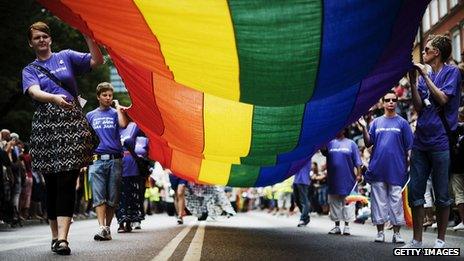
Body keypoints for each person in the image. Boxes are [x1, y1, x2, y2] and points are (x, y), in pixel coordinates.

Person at [21, 21, 103, 255]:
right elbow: (34, 91)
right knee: (52, 183)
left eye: (45, 36)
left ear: (50, 39)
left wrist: (89, 37)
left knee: (68, 178)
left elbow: (97, 61)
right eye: (37, 38)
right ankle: (55, 235)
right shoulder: (30, 70)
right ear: (31, 43)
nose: (42, 40)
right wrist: (54, 98)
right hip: (46, 125)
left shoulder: (65, 57)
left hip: (71, 123)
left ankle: (63, 239)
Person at [405, 34, 461, 248]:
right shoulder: (421, 78)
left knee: (442, 193)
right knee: (415, 192)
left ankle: (440, 240)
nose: (424, 52)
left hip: (441, 141)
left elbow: (443, 99)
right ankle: (417, 240)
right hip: (420, 141)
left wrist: (425, 76)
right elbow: (419, 106)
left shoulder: (452, 72)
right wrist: (412, 81)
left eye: (427, 49)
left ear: (436, 53)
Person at [358, 90, 413, 244]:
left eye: (393, 100)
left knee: (396, 202)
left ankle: (397, 233)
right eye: (387, 100)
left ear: (396, 102)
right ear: (382, 103)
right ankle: (380, 232)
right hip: (377, 168)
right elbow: (369, 143)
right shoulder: (375, 123)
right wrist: (363, 127)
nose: (391, 103)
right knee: (379, 202)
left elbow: (409, 148)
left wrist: (410, 165)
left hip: (397, 169)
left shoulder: (402, 123)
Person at [87, 82, 128, 241]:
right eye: (104, 95)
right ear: (98, 96)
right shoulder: (90, 115)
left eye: (110, 95)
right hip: (97, 160)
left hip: (115, 160)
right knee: (99, 195)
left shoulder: (114, 113)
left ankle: (108, 228)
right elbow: (87, 137)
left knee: (113, 197)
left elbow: (123, 124)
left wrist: (118, 107)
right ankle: (101, 227)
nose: (108, 98)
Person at [322, 130, 362, 236]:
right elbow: (323, 151)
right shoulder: (329, 143)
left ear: (344, 130)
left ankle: (347, 226)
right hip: (333, 178)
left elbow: (357, 161)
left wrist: (359, 174)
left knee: (347, 203)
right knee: (335, 203)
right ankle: (337, 226)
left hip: (348, 178)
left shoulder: (351, 143)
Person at [116, 123, 148, 233]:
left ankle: (129, 221)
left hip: (132, 166)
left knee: (131, 195)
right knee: (119, 195)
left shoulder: (134, 125)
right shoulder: (113, 123)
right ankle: (120, 223)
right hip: (118, 164)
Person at [293, 160, 312, 227]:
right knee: (297, 200)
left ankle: (303, 219)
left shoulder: (307, 155)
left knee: (304, 201)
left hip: (303, 181)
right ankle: (306, 216)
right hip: (296, 180)